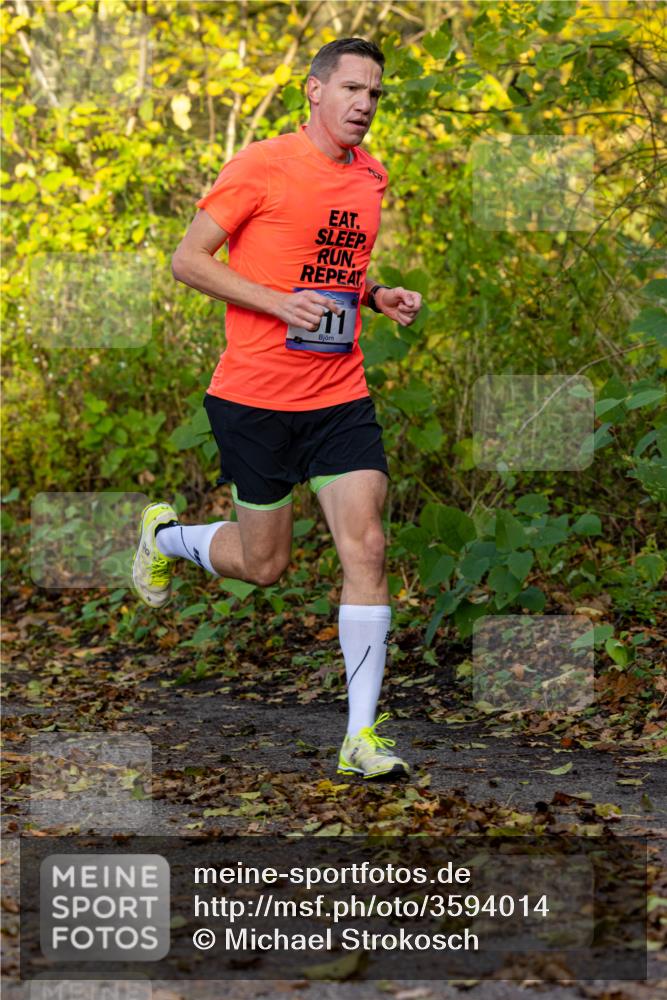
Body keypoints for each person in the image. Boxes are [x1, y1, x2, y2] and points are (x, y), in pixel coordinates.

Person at [132, 37, 422, 781]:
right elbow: (187, 259)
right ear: (315, 91)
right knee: (264, 566)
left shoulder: (371, 178)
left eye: (375, 95)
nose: (364, 105)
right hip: (254, 399)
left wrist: (373, 295)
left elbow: (329, 268)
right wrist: (274, 304)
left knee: (367, 547)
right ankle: (166, 539)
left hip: (338, 396)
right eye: (353, 89)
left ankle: (361, 738)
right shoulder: (260, 164)